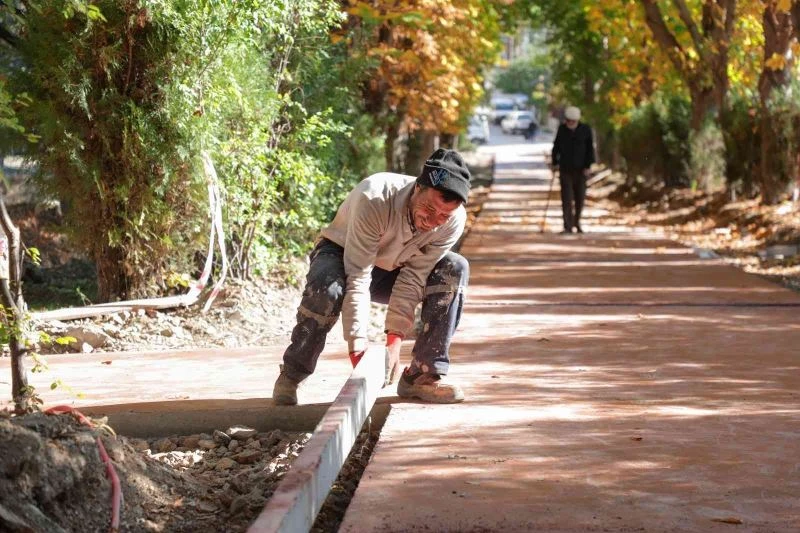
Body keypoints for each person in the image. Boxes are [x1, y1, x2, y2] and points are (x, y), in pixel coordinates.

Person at [272, 148, 472, 405]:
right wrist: (358, 348)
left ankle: (422, 376)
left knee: (454, 268)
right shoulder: (375, 196)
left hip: (397, 266)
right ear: (417, 187)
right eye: (429, 209)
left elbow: (412, 278)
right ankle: (292, 374)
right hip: (344, 255)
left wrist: (394, 342)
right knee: (328, 287)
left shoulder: (453, 222)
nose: (433, 221)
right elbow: (358, 276)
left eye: (443, 216)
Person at [551, 106, 595, 233]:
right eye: (568, 121)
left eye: (573, 121)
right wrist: (554, 162)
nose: (570, 123)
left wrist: (588, 166)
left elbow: (590, 150)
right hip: (565, 169)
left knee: (580, 198)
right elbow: (556, 147)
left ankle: (577, 222)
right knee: (566, 198)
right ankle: (567, 226)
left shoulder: (585, 130)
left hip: (581, 170)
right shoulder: (562, 130)